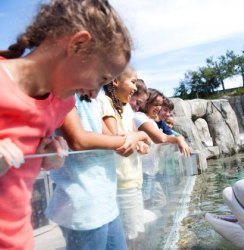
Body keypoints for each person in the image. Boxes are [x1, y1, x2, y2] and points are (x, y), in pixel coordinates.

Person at [0, 0, 132, 249]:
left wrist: (47, 156)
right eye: (101, 78)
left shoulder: (61, 104)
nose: (95, 92)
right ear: (78, 45)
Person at [46, 89, 146, 250]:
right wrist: (132, 138)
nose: (98, 87)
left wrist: (134, 139)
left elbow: (112, 138)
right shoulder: (63, 94)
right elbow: (79, 140)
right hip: (82, 207)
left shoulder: (91, 102)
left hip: (107, 203)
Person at [100, 66, 151, 249]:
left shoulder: (126, 108)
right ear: (115, 81)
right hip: (121, 184)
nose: (135, 88)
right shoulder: (105, 102)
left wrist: (140, 141)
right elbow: (119, 141)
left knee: (135, 235)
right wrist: (138, 138)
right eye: (132, 81)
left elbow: (136, 137)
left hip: (133, 181)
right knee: (132, 238)